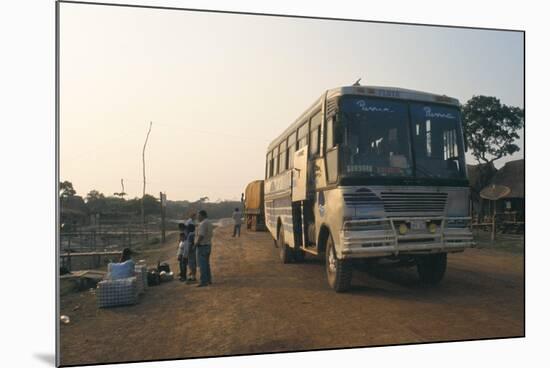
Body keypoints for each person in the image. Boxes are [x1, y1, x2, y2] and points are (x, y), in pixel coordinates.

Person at [196, 210, 213, 287]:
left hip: (202, 246)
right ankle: (208, 280)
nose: (197, 217)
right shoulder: (209, 222)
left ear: (202, 215)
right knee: (206, 264)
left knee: (202, 265)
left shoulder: (202, 224)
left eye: (198, 216)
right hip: (208, 245)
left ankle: (203, 281)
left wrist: (196, 244)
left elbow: (201, 235)